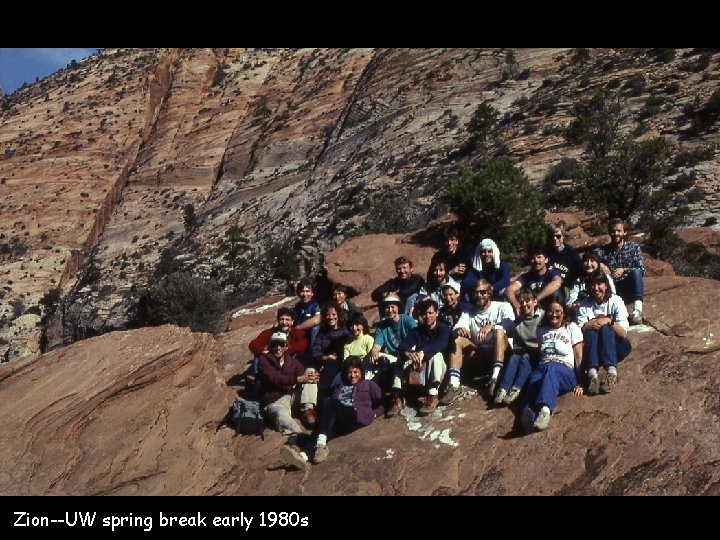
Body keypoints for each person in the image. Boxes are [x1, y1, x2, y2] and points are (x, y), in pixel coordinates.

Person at [280, 356, 384, 469]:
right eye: (349, 372)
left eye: (356, 372)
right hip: (339, 420)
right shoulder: (339, 386)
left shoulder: (368, 385)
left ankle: (317, 444)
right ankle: (304, 457)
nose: (353, 375)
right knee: (322, 430)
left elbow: (383, 401)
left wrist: (375, 413)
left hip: (353, 416)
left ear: (361, 372)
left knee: (329, 402)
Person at [439, 280, 515, 406]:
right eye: (476, 292)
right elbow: (456, 329)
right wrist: (459, 330)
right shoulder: (469, 312)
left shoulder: (502, 306)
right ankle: (454, 384)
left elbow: (511, 325)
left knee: (499, 331)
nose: (479, 295)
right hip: (480, 356)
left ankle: (495, 378)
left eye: (483, 292)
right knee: (458, 340)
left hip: (501, 352)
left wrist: (492, 326)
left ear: (489, 293)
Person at [520, 299, 584, 434]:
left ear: (564, 313)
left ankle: (545, 411)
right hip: (544, 367)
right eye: (550, 311)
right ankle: (528, 416)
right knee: (534, 379)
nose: (553, 314)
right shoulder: (541, 330)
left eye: (558, 311)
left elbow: (578, 355)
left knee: (551, 368)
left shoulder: (571, 327)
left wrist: (581, 381)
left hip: (565, 371)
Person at [575, 269, 632, 395]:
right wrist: (586, 326)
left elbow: (623, 334)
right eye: (592, 285)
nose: (596, 288)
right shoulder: (584, 305)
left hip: (617, 346)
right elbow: (578, 333)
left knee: (606, 327)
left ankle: (611, 373)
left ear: (606, 285)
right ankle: (592, 375)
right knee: (590, 329)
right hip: (594, 349)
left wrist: (608, 321)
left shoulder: (616, 301)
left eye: (599, 284)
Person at [256, 332, 320, 436]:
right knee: (281, 415)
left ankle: (308, 410)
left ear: (286, 346)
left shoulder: (291, 362)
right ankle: (298, 434)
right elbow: (275, 378)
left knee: (310, 372)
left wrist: (313, 377)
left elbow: (303, 375)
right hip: (274, 401)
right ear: (270, 346)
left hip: (290, 396)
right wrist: (298, 379)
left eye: (281, 344)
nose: (278, 347)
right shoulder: (264, 360)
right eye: (275, 344)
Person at [397, 300, 451, 416]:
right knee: (399, 360)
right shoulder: (417, 331)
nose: (427, 317)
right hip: (421, 374)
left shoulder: (444, 329)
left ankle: (432, 395)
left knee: (436, 355)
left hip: (440, 375)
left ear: (437, 313)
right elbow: (402, 346)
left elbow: (440, 344)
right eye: (424, 314)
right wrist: (408, 353)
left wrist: (423, 352)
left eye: (431, 313)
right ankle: (397, 396)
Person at [369, 293, 418, 414]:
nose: (390, 310)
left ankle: (396, 397)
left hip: (409, 354)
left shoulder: (407, 320)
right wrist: (374, 352)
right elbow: (377, 345)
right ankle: (369, 396)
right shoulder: (382, 326)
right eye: (387, 307)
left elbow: (417, 338)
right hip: (393, 357)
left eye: (393, 307)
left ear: (398, 307)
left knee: (398, 363)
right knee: (374, 359)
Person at [494, 289, 543, 406]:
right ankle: (503, 389)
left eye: (528, 301)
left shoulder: (542, 318)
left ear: (535, 302)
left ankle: (516, 388)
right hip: (523, 351)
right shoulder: (518, 322)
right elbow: (517, 344)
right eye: (521, 302)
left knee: (526, 357)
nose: (525, 305)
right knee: (514, 357)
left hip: (538, 353)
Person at [594, 218, 646, 324]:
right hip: (612, 289)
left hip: (628, 287)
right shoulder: (603, 251)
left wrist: (624, 270)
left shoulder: (633, 247)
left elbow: (641, 269)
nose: (616, 234)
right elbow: (589, 257)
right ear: (609, 232)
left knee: (636, 272)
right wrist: (600, 264)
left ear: (624, 232)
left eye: (619, 231)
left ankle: (637, 311)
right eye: (613, 231)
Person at [505, 245, 564, 314]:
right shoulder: (525, 277)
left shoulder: (552, 272)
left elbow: (557, 283)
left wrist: (537, 299)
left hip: (549, 310)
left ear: (546, 260)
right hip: (532, 311)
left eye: (539, 257)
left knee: (556, 293)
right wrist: (516, 304)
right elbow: (509, 290)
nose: (536, 260)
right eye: (533, 258)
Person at [311, 301, 349, 396]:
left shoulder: (345, 331)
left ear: (338, 315)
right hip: (326, 362)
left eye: (333, 314)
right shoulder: (322, 332)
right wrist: (325, 358)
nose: (331, 317)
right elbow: (315, 350)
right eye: (328, 315)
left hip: (342, 361)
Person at [546, 224, 583, 291]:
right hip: (549, 285)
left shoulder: (571, 253)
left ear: (563, 236)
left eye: (558, 236)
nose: (555, 239)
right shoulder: (547, 253)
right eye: (552, 236)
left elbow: (578, 272)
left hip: (566, 286)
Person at [291, 277, 322, 351]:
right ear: (298, 293)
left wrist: (297, 328)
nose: (305, 294)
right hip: (299, 338)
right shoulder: (297, 307)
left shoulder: (315, 305)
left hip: (312, 338)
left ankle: (314, 356)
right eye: (302, 291)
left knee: (315, 328)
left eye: (307, 291)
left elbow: (316, 320)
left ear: (312, 293)